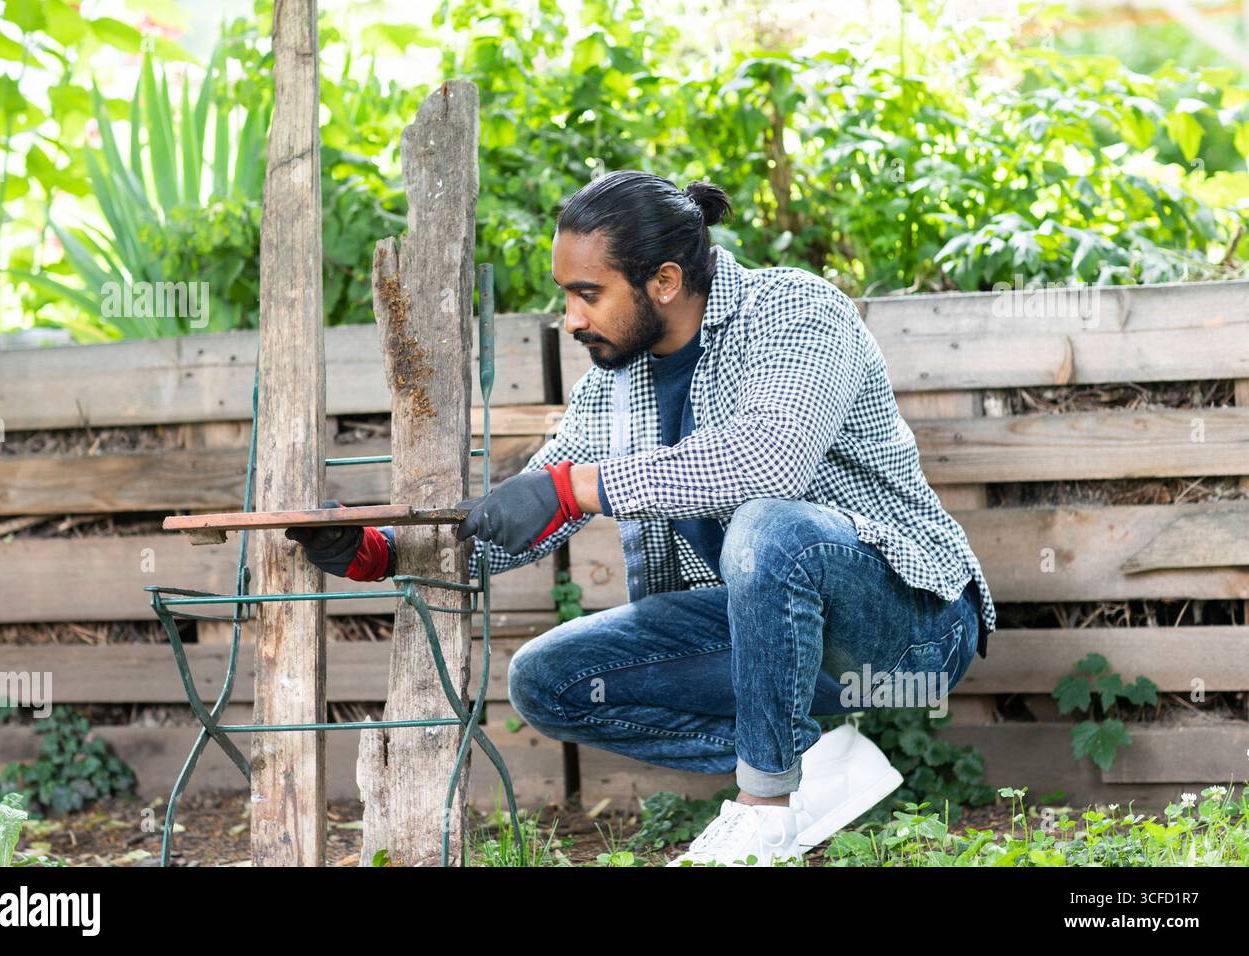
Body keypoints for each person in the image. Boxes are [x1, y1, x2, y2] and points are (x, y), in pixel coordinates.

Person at [289, 170, 997, 866]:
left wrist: (580, 487)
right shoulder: (616, 382)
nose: (571, 319)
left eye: (587, 294)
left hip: (913, 627)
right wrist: (378, 553)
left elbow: (770, 460)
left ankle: (767, 813)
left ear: (663, 280)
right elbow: (540, 505)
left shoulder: (794, 311)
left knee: (771, 528)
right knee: (547, 680)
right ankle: (811, 764)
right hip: (772, 642)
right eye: (567, 296)